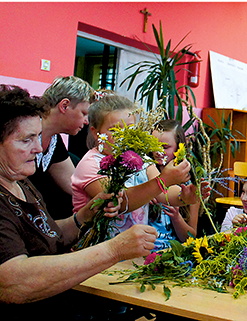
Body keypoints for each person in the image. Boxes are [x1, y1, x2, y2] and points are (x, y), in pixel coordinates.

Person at [0, 85, 157, 318]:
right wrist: (114, 250)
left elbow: (49, 235)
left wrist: (84, 216)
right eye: (26, 140)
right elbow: (13, 282)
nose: (37, 148)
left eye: (38, 137)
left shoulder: (21, 184)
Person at [71, 94, 199, 239]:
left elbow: (163, 193)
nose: (123, 135)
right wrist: (163, 181)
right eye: (114, 130)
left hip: (133, 250)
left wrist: (183, 196)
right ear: (95, 132)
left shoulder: (139, 158)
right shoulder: (90, 164)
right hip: (96, 249)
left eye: (130, 128)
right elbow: (120, 202)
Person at [28, 76, 95, 219]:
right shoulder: (25, 131)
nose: (86, 122)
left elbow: (75, 184)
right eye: (83, 113)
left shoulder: (54, 141)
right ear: (64, 106)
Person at [150, 119, 201, 250]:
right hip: (141, 251)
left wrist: (176, 217)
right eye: (153, 145)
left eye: (165, 147)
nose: (158, 151)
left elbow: (190, 237)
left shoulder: (190, 185)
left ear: (179, 148)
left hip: (170, 252)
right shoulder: (144, 174)